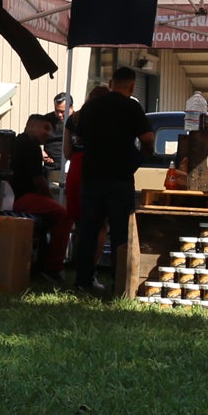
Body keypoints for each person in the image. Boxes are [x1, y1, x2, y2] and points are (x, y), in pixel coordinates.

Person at [69, 66, 154, 296]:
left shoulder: (91, 107)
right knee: (120, 234)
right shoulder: (132, 106)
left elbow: (79, 137)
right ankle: (121, 284)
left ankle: (82, 281)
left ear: (110, 83)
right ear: (133, 86)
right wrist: (144, 154)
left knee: (88, 230)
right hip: (120, 178)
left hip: (92, 176)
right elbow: (147, 138)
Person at [9, 114, 72, 284]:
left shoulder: (17, 142)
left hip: (12, 196)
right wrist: (51, 200)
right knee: (63, 215)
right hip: (23, 197)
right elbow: (38, 180)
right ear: (31, 126)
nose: (49, 133)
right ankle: (53, 267)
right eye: (45, 128)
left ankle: (41, 262)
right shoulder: (31, 146)